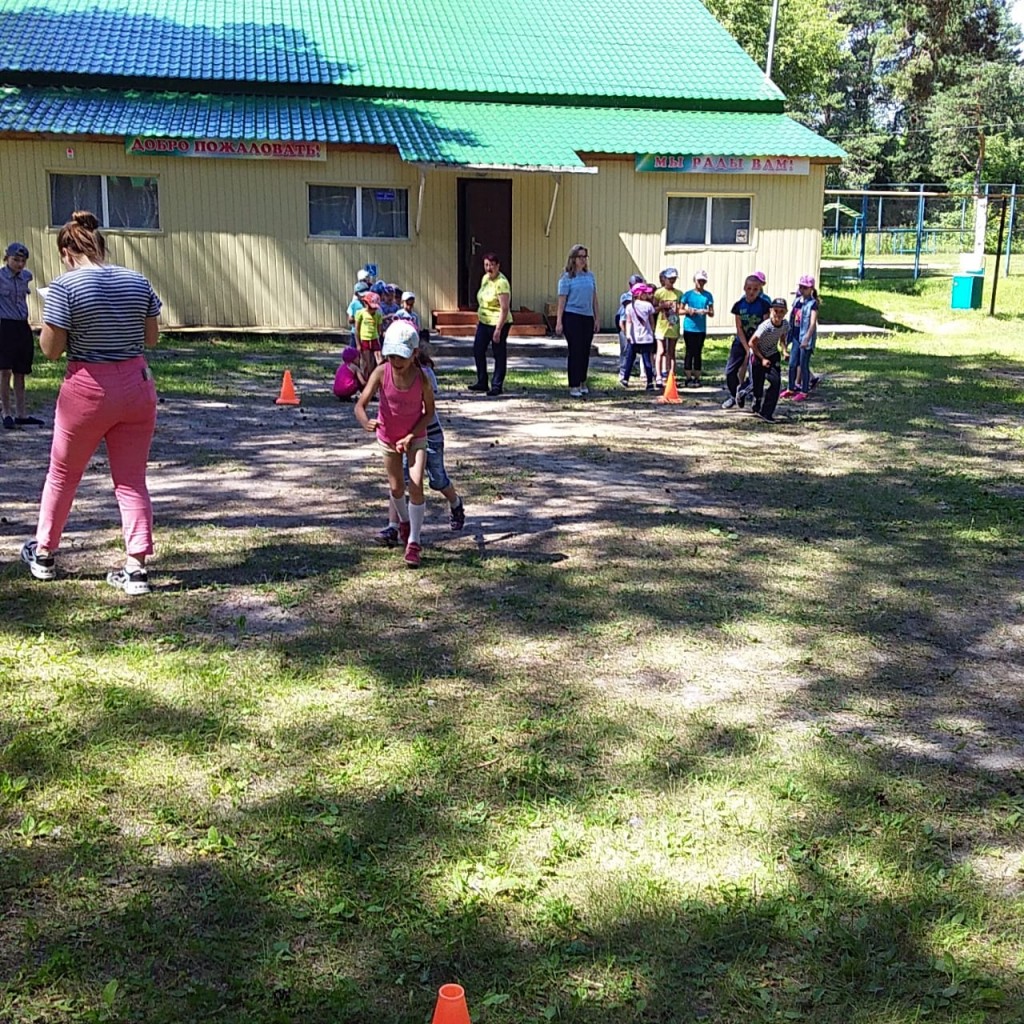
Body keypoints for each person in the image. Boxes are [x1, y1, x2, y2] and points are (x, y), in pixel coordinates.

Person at [20, 211, 161, 595]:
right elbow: (151, 338)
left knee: (63, 474)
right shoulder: (137, 281)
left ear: (67, 252)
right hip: (136, 384)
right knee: (131, 480)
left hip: (87, 388)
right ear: (100, 245)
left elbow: (51, 351)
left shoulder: (64, 287)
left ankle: (44, 553)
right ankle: (136, 568)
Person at [354, 320, 435, 568]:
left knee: (416, 484)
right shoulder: (381, 372)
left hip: (415, 438)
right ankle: (403, 521)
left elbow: (429, 413)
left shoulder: (422, 379)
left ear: (414, 354)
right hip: (388, 438)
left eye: (401, 356)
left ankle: (414, 542)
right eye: (391, 356)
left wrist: (412, 435)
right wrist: (365, 421)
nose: (396, 361)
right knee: (396, 487)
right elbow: (360, 405)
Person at [376, 340, 465, 546]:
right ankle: (393, 526)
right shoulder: (390, 372)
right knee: (400, 480)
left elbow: (427, 410)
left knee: (437, 480)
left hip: (429, 435)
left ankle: (455, 503)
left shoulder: (424, 376)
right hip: (404, 436)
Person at [0, 242, 43, 429]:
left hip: (22, 326)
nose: (19, 264)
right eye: (15, 260)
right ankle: (6, 412)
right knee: (4, 370)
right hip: (5, 325)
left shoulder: (26, 276)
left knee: (21, 370)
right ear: (7, 258)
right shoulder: (0, 277)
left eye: (23, 261)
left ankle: (21, 413)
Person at [555, 243, 600, 398]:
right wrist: (559, 321)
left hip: (587, 317)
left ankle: (582, 381)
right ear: (573, 259)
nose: (583, 260)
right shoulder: (566, 278)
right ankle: (573, 384)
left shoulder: (590, 276)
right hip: (572, 316)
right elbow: (562, 301)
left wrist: (597, 318)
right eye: (580, 257)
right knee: (575, 351)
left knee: (585, 351)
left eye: (585, 257)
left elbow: (594, 299)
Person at [723, 275, 771, 410]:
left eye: (755, 289)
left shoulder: (764, 305)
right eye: (749, 288)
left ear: (759, 290)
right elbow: (739, 328)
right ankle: (735, 395)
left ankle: (756, 397)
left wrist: (754, 347)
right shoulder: (739, 305)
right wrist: (746, 347)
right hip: (741, 341)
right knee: (730, 371)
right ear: (744, 288)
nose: (751, 292)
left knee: (757, 372)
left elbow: (765, 327)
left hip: (758, 342)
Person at [469, 252, 512, 397]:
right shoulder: (485, 279)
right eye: (486, 265)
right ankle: (482, 381)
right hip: (484, 321)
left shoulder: (502, 283)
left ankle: (496, 385)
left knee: (498, 353)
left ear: (498, 266)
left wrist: (498, 330)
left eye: (492, 265)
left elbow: (504, 308)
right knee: (478, 349)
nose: (489, 268)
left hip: (499, 322)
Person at [747, 297, 790, 423]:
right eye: (776, 311)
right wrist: (762, 359)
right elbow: (751, 343)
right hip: (758, 354)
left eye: (781, 311)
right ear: (771, 311)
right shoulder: (765, 326)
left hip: (772, 354)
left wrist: (784, 351)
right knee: (757, 384)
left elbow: (782, 338)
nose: (778, 314)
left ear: (785, 312)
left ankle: (766, 412)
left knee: (776, 383)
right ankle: (753, 397)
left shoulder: (785, 324)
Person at [782, 275, 820, 403]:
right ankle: (791, 388)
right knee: (792, 363)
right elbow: (792, 319)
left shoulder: (813, 304)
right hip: (795, 336)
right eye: (801, 287)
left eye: (805, 287)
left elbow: (812, 323)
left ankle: (804, 391)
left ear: (811, 289)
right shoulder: (797, 301)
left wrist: (807, 338)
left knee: (803, 365)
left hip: (805, 338)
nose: (802, 290)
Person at [620, 282, 657, 390]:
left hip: (634, 338)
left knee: (630, 359)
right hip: (647, 338)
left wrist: (628, 334)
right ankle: (650, 382)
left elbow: (628, 321)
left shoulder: (629, 307)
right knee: (647, 360)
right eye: (645, 293)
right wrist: (652, 331)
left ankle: (625, 379)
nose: (647, 295)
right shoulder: (648, 306)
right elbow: (651, 321)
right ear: (640, 294)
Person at [680, 270, 714, 388]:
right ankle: (688, 377)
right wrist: (688, 311)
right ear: (695, 281)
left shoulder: (708, 295)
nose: (701, 283)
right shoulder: (688, 294)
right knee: (689, 351)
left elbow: (712, 312)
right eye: (699, 280)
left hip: (701, 328)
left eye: (703, 281)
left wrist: (706, 311)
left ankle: (697, 377)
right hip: (689, 327)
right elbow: (680, 310)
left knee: (698, 352)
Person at [653, 267, 682, 388]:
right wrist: (662, 306)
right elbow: (653, 309)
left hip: (673, 325)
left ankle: (671, 376)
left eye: (674, 279)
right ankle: (658, 376)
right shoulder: (659, 293)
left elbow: (681, 309)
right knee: (661, 351)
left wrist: (676, 308)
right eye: (670, 279)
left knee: (671, 352)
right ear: (664, 279)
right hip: (661, 326)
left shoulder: (679, 293)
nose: (672, 281)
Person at [354, 288, 383, 380]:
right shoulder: (360, 313)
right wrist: (358, 344)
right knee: (366, 362)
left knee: (379, 360)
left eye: (375, 308)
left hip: (374, 339)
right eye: (371, 307)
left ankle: (379, 378)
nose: (373, 310)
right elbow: (357, 329)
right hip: (365, 340)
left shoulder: (378, 314)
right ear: (365, 303)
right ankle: (367, 381)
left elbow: (379, 328)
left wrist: (378, 336)